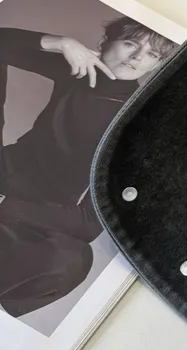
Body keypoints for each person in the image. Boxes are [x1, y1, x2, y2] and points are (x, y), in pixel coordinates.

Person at [0, 18, 175, 317]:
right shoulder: (80, 73)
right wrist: (61, 42)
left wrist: (7, 205)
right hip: (6, 171)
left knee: (74, 260)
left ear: (157, 65)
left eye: (151, 54)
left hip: (34, 214)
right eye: (130, 44)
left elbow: (90, 224)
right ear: (104, 43)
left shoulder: (141, 123)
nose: (136, 57)